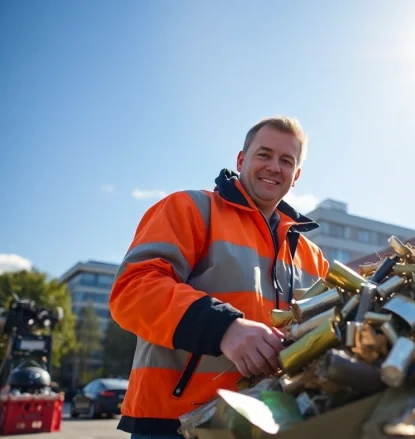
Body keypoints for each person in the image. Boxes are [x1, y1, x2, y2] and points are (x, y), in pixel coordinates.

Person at [109, 116, 329, 438]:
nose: (274, 167)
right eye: (264, 154)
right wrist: (226, 328)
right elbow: (132, 290)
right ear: (241, 160)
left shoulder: (312, 256)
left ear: (296, 176)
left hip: (267, 423)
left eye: (286, 160)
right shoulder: (190, 208)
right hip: (175, 423)